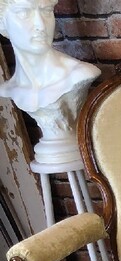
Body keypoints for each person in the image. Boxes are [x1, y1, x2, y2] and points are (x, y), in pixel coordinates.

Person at [0, 0, 100, 163]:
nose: (40, 26)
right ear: (2, 22)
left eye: (46, 11)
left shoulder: (79, 74)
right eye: (24, 13)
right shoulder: (9, 88)